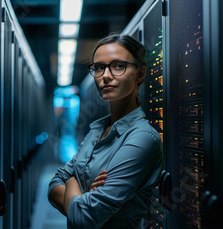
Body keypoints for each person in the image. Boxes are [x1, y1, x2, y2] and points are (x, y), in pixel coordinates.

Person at [48, 34, 163, 228]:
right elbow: (54, 183)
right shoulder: (97, 130)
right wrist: (82, 196)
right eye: (99, 67)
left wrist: (72, 183)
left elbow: (84, 218)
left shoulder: (142, 138)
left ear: (140, 74)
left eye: (118, 66)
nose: (106, 75)